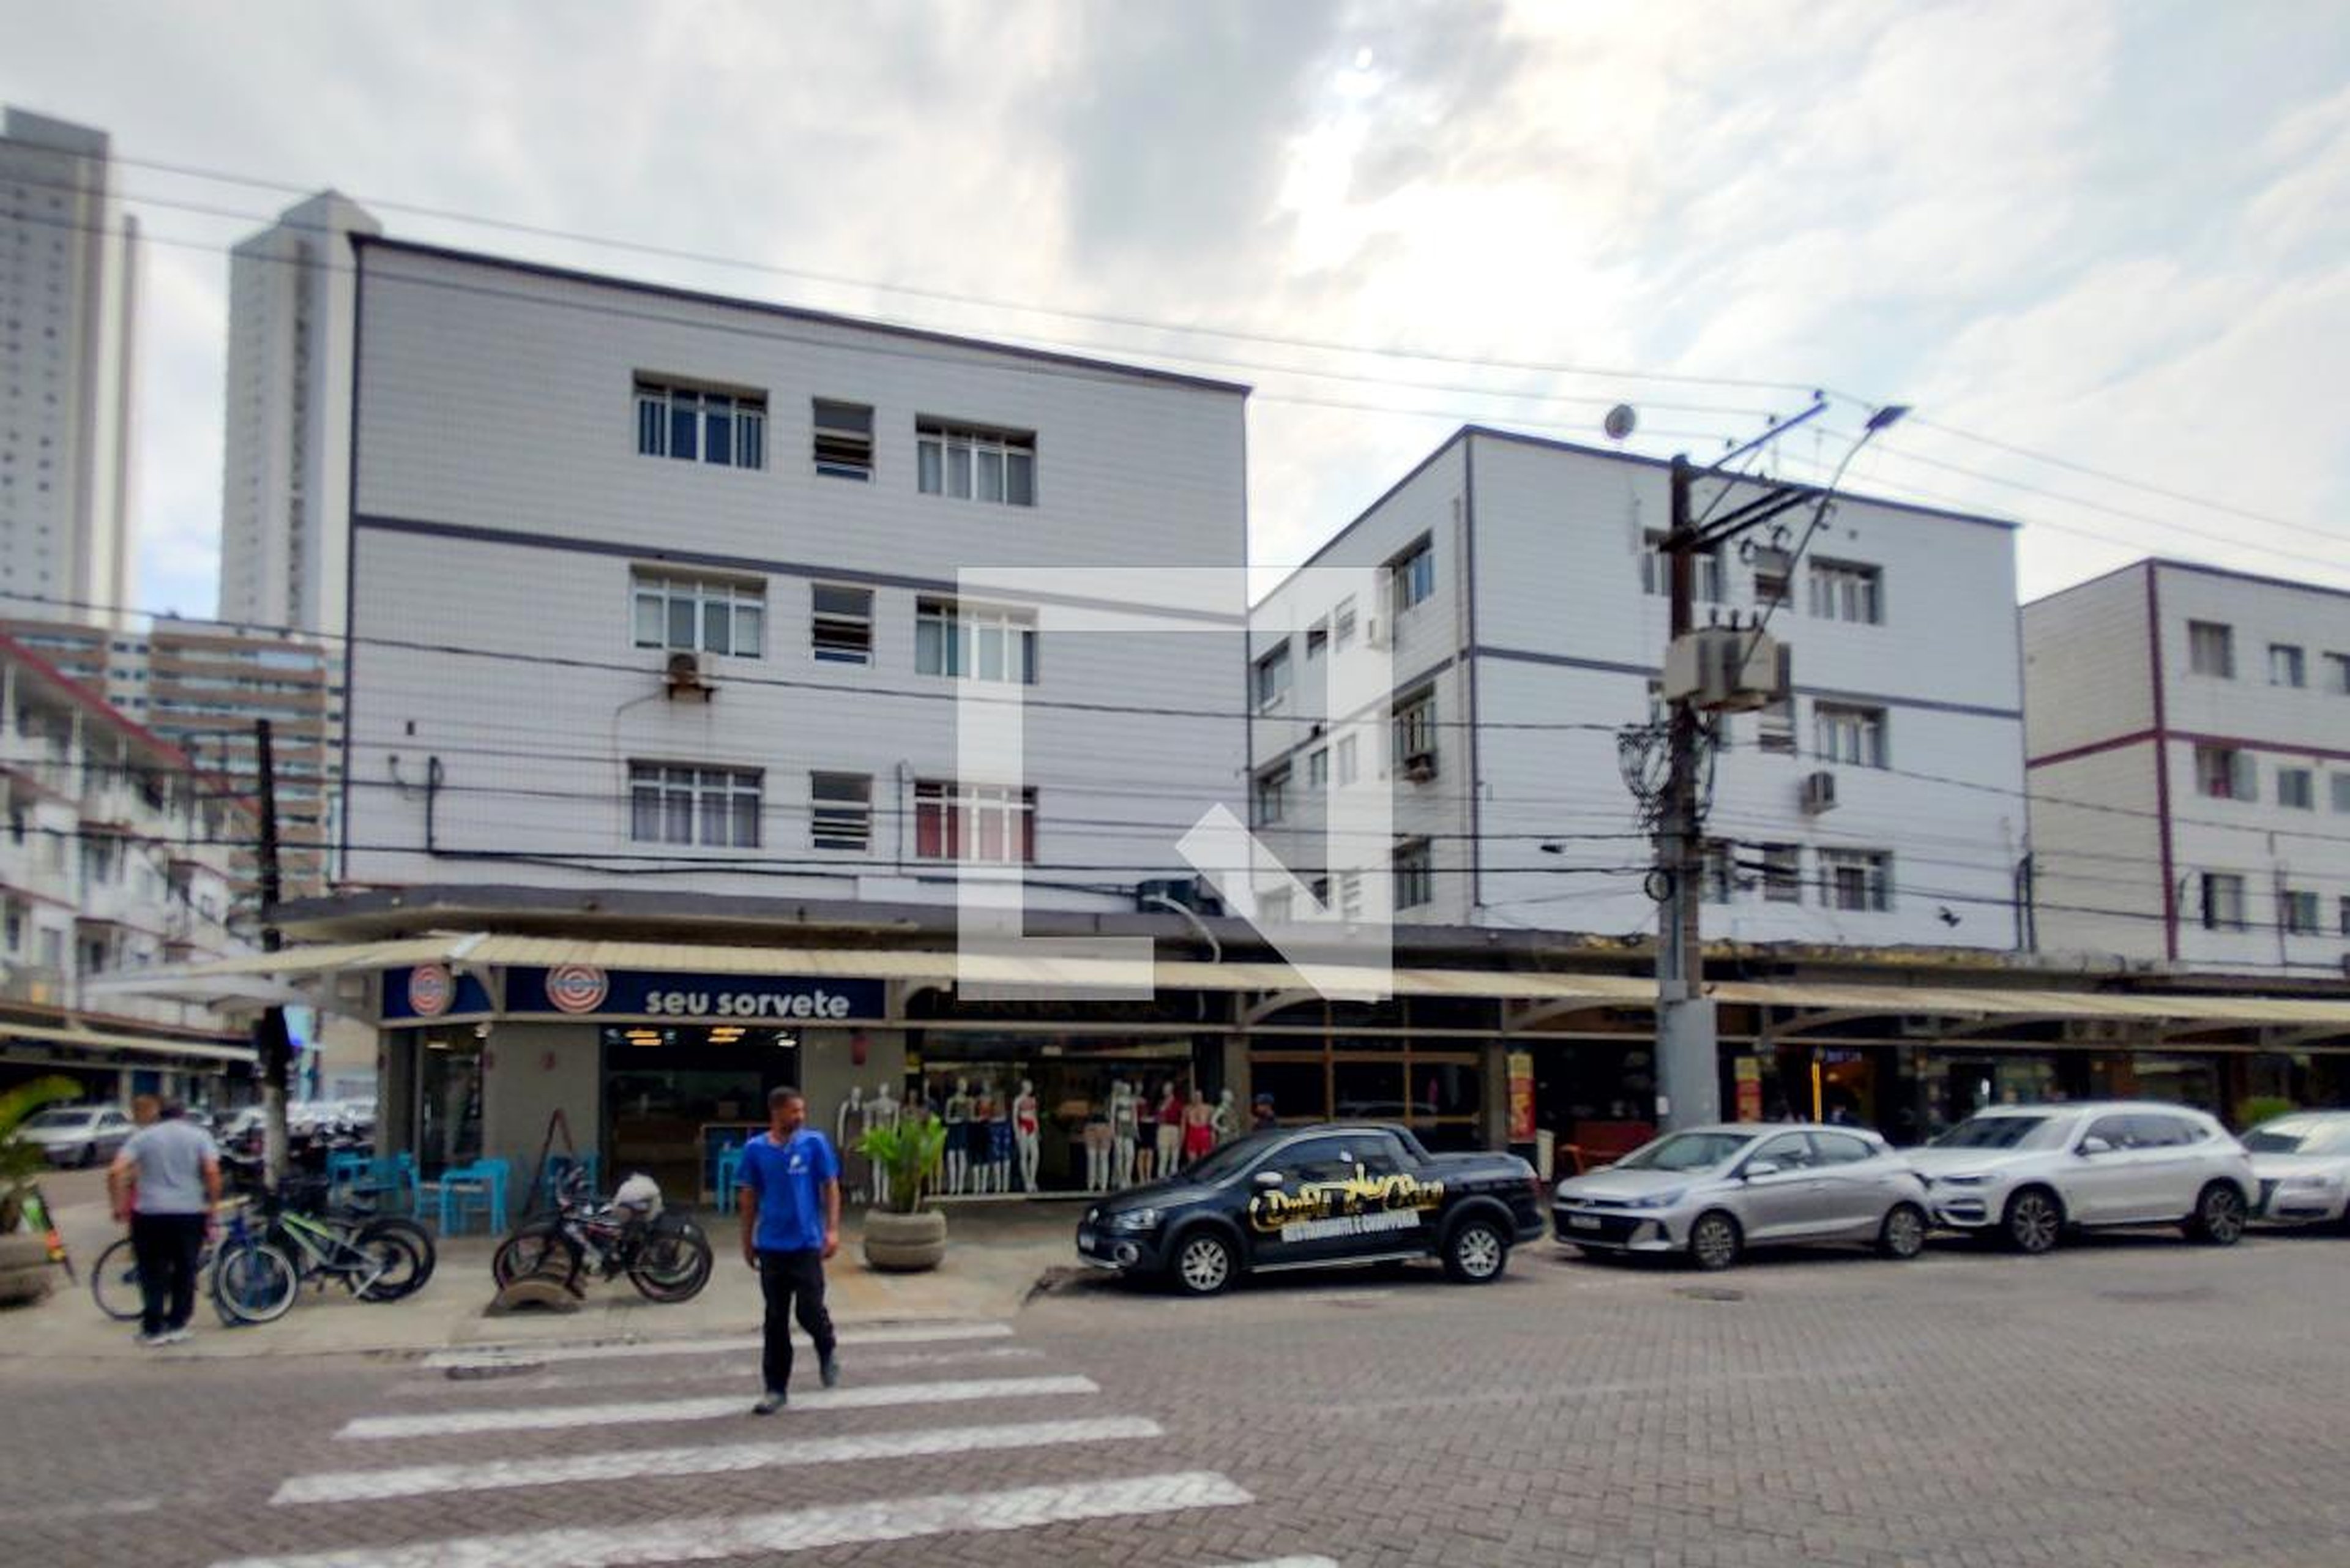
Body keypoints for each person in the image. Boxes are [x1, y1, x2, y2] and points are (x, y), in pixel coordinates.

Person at [737, 1086, 841, 1414]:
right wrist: (746, 1241)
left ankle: (826, 1347)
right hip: (771, 1247)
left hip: (807, 1244)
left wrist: (833, 1229)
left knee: (809, 1311)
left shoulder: (814, 1144)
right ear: (777, 1112)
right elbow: (749, 1198)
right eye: (794, 1111)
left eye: (802, 1111)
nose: (800, 1117)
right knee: (775, 1319)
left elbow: (831, 1186)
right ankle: (775, 1388)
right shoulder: (755, 1150)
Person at [106, 1099, 222, 1347]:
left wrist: (118, 1206)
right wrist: (212, 1207)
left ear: (160, 1115)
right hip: (189, 1213)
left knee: (152, 1271)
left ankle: (153, 1328)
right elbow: (212, 1172)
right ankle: (178, 1324)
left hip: (149, 1214)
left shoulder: (143, 1137)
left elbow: (115, 1171)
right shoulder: (199, 1136)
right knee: (185, 1269)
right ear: (183, 1115)